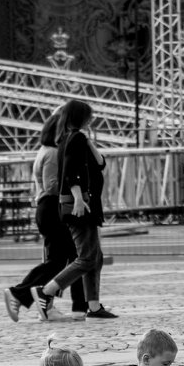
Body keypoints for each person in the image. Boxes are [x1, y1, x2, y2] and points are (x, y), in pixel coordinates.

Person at [30, 99, 118, 321]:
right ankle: (46, 291)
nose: (92, 119)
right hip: (81, 205)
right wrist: (78, 199)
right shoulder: (74, 138)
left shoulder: (72, 138)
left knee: (94, 257)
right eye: (89, 115)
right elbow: (71, 173)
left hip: (85, 204)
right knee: (87, 258)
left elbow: (99, 163)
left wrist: (87, 140)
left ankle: (94, 306)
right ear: (81, 117)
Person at [3, 114, 87, 322]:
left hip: (46, 208)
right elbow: (51, 185)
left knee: (62, 260)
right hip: (51, 207)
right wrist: (72, 185)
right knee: (61, 261)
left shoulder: (45, 151)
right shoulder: (51, 153)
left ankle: (45, 304)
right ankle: (20, 293)